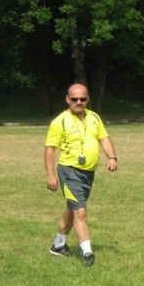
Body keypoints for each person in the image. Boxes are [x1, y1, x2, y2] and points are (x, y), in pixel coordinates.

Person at [45, 83, 118, 267]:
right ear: (67, 99)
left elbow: (104, 138)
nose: (79, 102)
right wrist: (51, 175)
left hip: (88, 174)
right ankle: (87, 252)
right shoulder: (59, 122)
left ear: (88, 99)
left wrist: (112, 157)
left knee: (73, 208)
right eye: (75, 99)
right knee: (80, 211)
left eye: (83, 99)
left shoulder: (94, 117)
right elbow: (50, 150)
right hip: (69, 171)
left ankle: (58, 245)